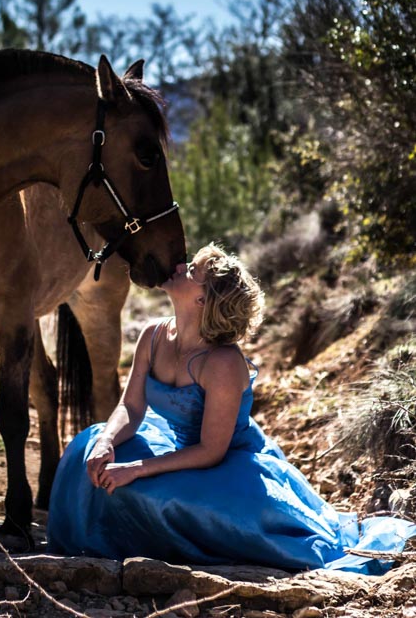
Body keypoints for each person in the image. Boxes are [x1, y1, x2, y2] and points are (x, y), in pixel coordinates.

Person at [47, 244, 416, 573]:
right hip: (173, 447)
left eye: (192, 271)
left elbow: (211, 450)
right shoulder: (154, 335)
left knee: (157, 496)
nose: (180, 266)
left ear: (204, 300)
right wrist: (108, 441)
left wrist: (136, 469)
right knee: (88, 451)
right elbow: (131, 406)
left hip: (225, 463)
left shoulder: (222, 363)